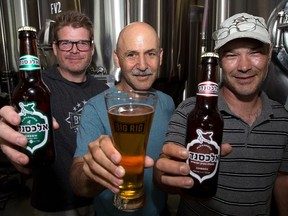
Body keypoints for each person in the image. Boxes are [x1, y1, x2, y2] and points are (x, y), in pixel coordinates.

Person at [153, 12, 288, 215]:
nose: (244, 66)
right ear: (219, 63)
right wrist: (163, 174)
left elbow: (282, 178)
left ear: (269, 55)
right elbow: (166, 165)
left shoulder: (283, 119)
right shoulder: (189, 110)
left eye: (255, 52)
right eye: (231, 55)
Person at [0, 11, 108, 215]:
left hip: (100, 197)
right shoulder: (38, 88)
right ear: (55, 49)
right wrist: (7, 131)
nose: (75, 50)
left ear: (92, 48)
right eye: (66, 43)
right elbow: (12, 119)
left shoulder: (103, 92)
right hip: (53, 204)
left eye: (82, 43)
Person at [69, 22, 175, 215]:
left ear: (160, 57)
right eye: (131, 54)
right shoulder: (95, 107)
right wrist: (91, 172)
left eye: (150, 54)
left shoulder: (167, 102)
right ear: (117, 59)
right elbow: (78, 181)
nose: (142, 66)